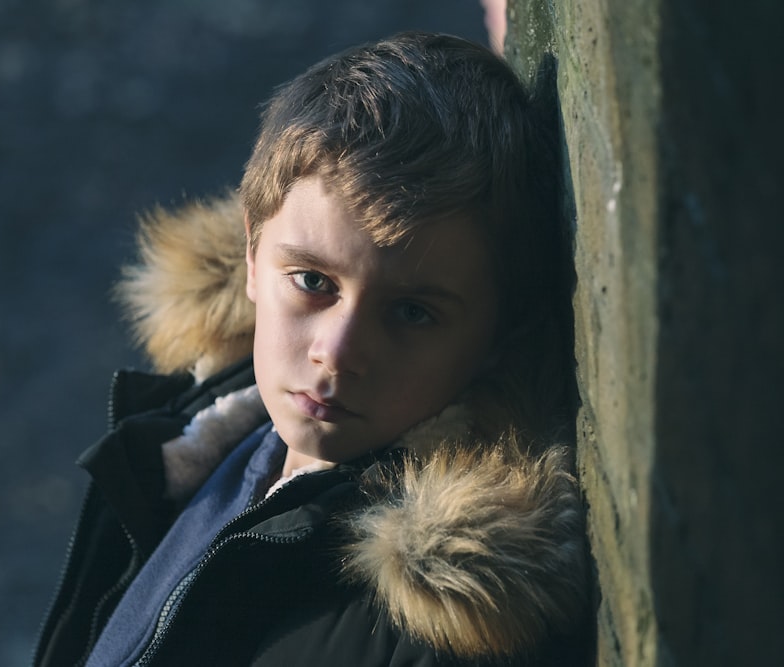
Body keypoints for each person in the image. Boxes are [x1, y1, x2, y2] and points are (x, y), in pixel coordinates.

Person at [33, 32, 588, 667]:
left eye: (412, 312)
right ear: (251, 253)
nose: (337, 351)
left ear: (498, 334)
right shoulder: (199, 428)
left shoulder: (439, 633)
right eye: (312, 283)